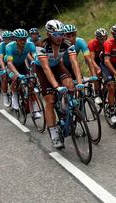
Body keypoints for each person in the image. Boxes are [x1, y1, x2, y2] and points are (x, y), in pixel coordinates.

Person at [34, 19, 84, 149]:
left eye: (61, 33)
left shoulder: (66, 42)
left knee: (70, 85)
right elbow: (45, 68)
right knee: (50, 100)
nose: (59, 37)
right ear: (49, 34)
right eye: (56, 34)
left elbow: (74, 63)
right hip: (42, 70)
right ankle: (54, 133)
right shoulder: (41, 44)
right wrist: (56, 86)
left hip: (57, 66)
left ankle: (65, 109)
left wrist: (79, 82)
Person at [6, 29, 38, 111]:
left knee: (30, 85)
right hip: (12, 66)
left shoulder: (30, 44)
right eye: (20, 39)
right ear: (16, 39)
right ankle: (14, 97)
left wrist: (36, 63)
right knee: (15, 79)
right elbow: (9, 62)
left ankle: (34, 108)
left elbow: (35, 56)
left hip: (22, 65)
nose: (23, 41)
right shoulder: (9, 46)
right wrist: (17, 74)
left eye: (24, 39)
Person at [0, 31, 13, 107]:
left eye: (9, 39)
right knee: (4, 77)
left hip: (12, 61)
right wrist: (3, 69)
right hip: (3, 62)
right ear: (3, 39)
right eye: (6, 39)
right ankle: (5, 95)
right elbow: (1, 59)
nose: (8, 40)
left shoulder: (13, 44)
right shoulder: (1, 46)